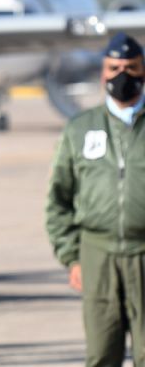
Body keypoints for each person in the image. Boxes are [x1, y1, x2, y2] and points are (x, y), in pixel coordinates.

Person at [46, 32, 145, 367]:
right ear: (103, 73)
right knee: (102, 354)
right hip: (97, 256)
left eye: (131, 67)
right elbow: (58, 199)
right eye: (114, 67)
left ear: (143, 70)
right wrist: (72, 256)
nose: (122, 75)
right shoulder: (80, 128)